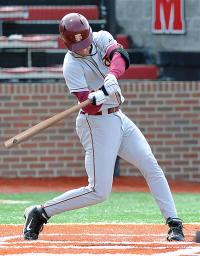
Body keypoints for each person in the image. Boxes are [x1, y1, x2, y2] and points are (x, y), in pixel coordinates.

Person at [23, 13, 184, 242]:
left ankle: (174, 223)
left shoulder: (100, 38)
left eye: (85, 42)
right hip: (95, 124)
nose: (83, 48)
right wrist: (99, 95)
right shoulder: (71, 66)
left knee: (151, 165)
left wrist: (112, 77)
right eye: (77, 46)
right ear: (68, 45)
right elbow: (86, 106)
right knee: (99, 191)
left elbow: (120, 56)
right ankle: (41, 212)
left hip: (119, 117)